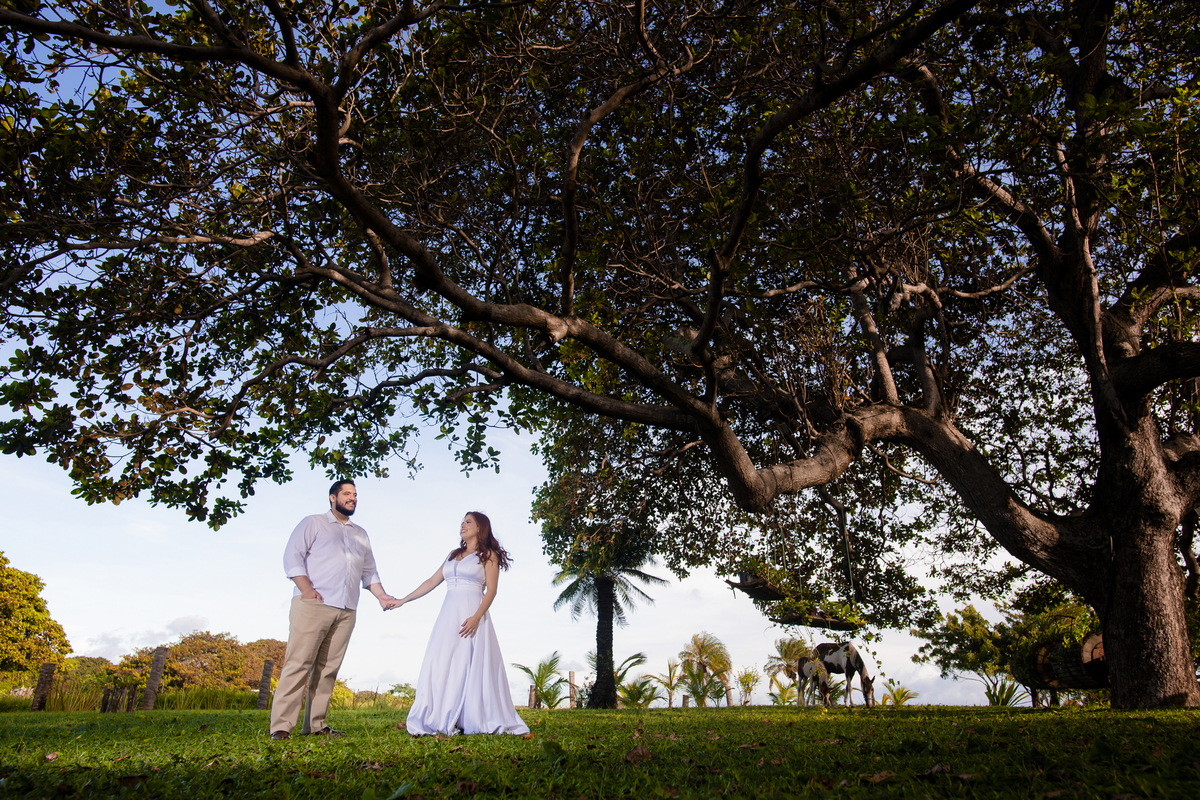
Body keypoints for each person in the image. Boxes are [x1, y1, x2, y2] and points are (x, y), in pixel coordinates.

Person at [269, 480, 397, 740]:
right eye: (347, 494)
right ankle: (281, 726)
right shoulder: (313, 523)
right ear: (332, 497)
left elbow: (369, 571)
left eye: (355, 495)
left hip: (347, 608)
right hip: (313, 604)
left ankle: (317, 725)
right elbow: (292, 557)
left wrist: (382, 596)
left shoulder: (361, 534)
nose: (352, 498)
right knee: (298, 664)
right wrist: (306, 590)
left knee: (328, 669)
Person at [389, 512, 529, 736]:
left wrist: (476, 617)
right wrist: (403, 600)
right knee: (441, 660)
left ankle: (471, 716)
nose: (463, 525)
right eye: (462, 522)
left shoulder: (488, 555)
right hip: (448, 614)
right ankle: (439, 714)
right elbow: (431, 581)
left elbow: (491, 590)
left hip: (472, 615)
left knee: (468, 663)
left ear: (480, 528)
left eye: (468, 522)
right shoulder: (453, 555)